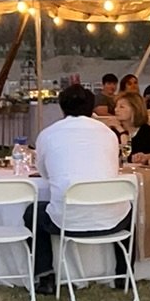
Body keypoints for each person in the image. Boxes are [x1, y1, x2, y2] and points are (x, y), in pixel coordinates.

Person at [30, 83, 127, 289]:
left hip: (68, 219)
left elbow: (45, 174)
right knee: (131, 207)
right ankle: (123, 273)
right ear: (92, 108)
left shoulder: (48, 134)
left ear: (62, 107)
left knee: (33, 212)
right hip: (111, 217)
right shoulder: (108, 133)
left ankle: (45, 274)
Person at [107, 90, 150, 158]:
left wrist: (122, 132)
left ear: (135, 109)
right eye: (116, 106)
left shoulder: (149, 133)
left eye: (121, 107)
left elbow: (128, 157)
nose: (116, 110)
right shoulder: (113, 131)